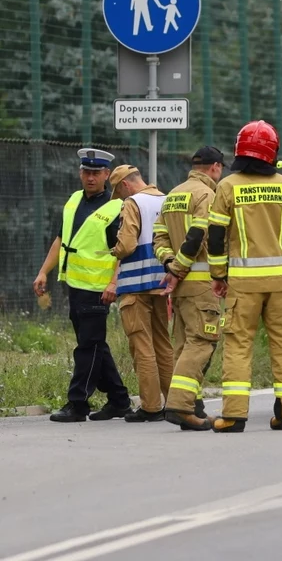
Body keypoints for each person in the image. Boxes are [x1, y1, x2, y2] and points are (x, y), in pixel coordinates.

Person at [207, 120, 282, 433]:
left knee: (239, 345)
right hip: (281, 284)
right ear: (271, 152)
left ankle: (234, 416)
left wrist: (218, 274)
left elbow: (215, 236)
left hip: (243, 283)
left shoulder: (227, 186)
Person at [32, 149, 132, 423]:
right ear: (80, 173)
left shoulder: (116, 207)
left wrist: (114, 282)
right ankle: (120, 401)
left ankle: (78, 404)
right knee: (94, 344)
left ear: (106, 176)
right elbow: (60, 239)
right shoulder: (74, 200)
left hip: (98, 289)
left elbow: (121, 251)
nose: (90, 177)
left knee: (88, 346)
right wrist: (44, 272)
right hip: (74, 285)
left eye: (96, 173)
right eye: (86, 172)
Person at [153, 147, 226, 431]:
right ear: (216, 167)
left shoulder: (173, 195)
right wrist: (178, 268)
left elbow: (158, 237)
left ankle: (193, 407)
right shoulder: (207, 195)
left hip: (181, 288)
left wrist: (170, 264)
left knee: (183, 346)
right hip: (200, 285)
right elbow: (198, 236)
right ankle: (181, 405)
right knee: (202, 342)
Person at [106, 165, 173, 422]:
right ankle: (176, 402)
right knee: (163, 346)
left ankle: (152, 406)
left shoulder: (132, 203)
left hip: (135, 286)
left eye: (119, 193)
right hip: (161, 283)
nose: (121, 198)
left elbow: (127, 244)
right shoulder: (166, 199)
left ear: (124, 185)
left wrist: (114, 250)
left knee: (142, 347)